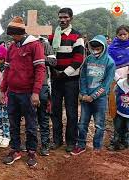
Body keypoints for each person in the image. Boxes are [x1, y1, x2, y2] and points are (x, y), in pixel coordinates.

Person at [1, 16, 46, 167]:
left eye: (14, 34)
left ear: (20, 32)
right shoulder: (12, 47)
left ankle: (31, 151)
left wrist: (36, 92)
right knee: (13, 123)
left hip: (28, 93)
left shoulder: (35, 45)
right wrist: (3, 90)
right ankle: (15, 150)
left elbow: (40, 69)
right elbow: (7, 70)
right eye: (11, 34)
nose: (12, 37)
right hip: (12, 93)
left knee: (31, 124)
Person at [70, 35, 115, 155]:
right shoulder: (88, 59)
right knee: (82, 123)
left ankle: (97, 146)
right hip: (86, 98)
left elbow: (106, 84)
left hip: (100, 99)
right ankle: (81, 145)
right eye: (93, 46)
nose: (95, 49)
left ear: (104, 46)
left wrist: (93, 96)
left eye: (98, 46)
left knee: (99, 125)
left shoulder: (110, 62)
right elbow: (83, 77)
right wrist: (84, 93)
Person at [48, 8, 85, 152]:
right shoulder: (53, 36)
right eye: (60, 17)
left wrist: (64, 73)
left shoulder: (77, 36)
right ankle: (57, 140)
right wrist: (53, 71)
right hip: (56, 79)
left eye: (65, 17)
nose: (62, 20)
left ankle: (71, 141)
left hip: (71, 80)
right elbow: (50, 56)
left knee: (71, 111)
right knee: (55, 111)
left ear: (71, 18)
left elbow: (79, 59)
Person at [108, 25, 129, 150]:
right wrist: (118, 79)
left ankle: (125, 139)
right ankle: (116, 138)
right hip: (115, 82)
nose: (122, 36)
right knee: (116, 109)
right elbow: (110, 65)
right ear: (116, 35)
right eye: (120, 34)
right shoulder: (111, 48)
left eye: (125, 34)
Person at [37, 36, 57, 156]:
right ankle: (31, 143)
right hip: (27, 86)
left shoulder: (44, 44)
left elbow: (53, 62)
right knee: (29, 117)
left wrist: (39, 58)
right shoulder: (21, 45)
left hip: (42, 85)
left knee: (43, 116)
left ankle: (45, 144)